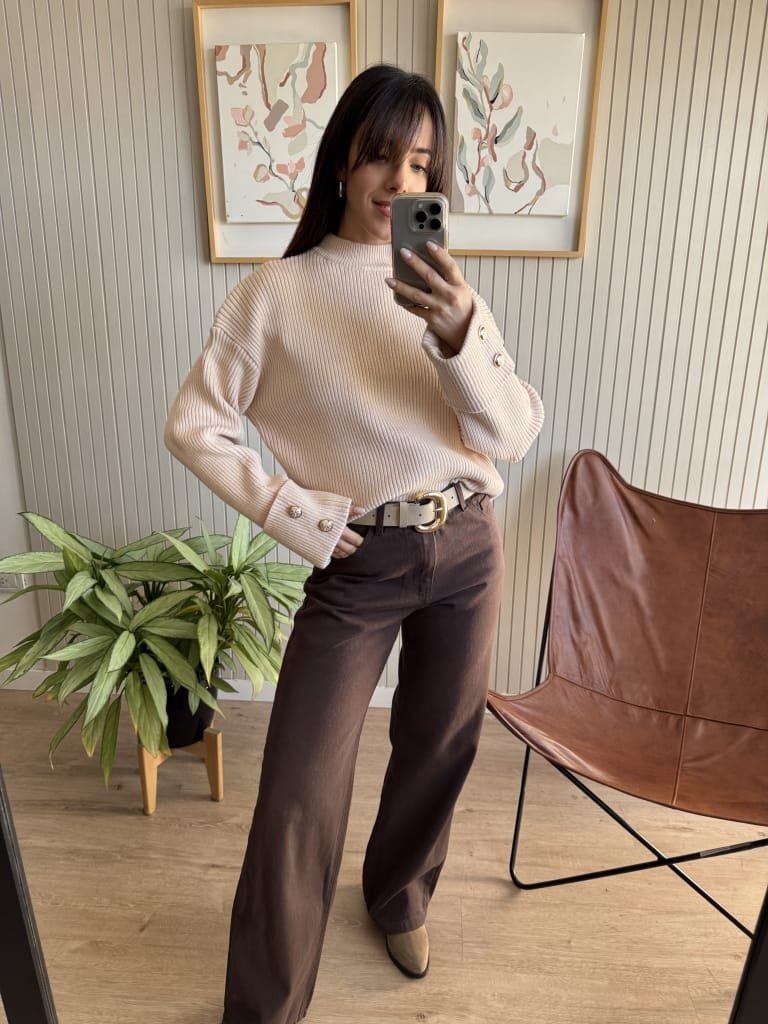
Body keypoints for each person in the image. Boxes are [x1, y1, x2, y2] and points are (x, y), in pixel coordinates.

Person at [165, 63, 544, 1024]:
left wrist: (459, 336)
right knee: (300, 785)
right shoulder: (274, 295)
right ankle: (263, 1007)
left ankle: (399, 896)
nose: (399, 181)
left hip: (468, 541)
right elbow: (196, 426)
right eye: (382, 155)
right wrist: (296, 515)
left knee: (441, 742)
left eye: (421, 164)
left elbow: (511, 433)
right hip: (360, 559)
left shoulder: (448, 291)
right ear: (342, 159)